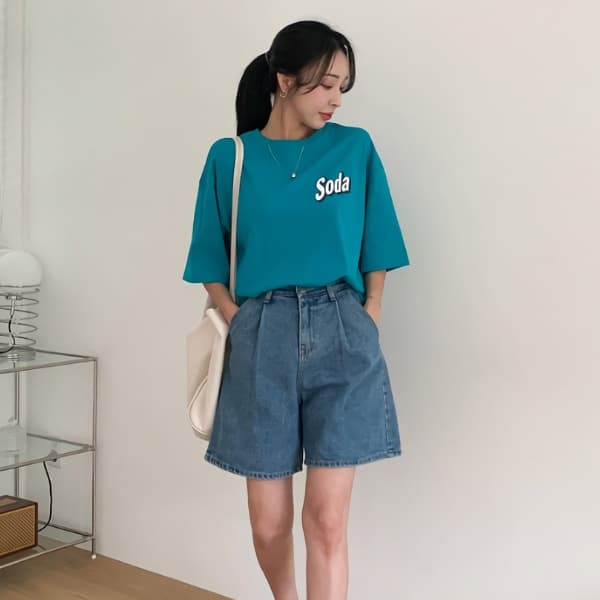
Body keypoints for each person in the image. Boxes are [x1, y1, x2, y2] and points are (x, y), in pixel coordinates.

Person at [183, 19, 410, 600]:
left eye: (343, 87)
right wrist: (239, 316)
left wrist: (371, 309)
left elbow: (378, 239)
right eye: (325, 84)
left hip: (343, 329)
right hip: (262, 333)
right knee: (269, 523)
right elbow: (208, 256)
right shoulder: (231, 157)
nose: (336, 99)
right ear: (285, 81)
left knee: (327, 521)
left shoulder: (354, 149)